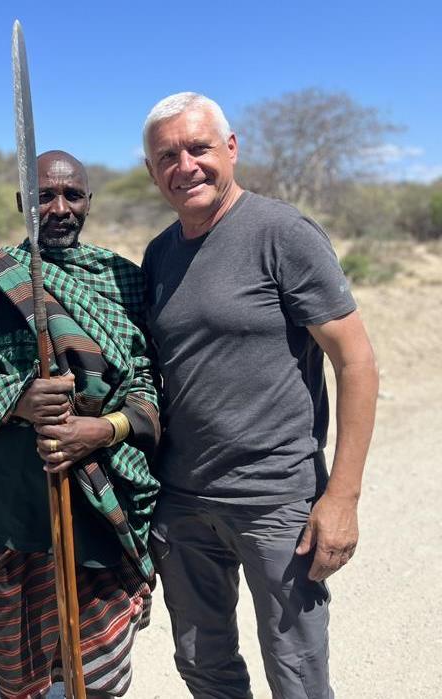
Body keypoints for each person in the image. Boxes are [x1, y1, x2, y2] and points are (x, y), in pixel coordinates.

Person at [141, 92, 379, 698]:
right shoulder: (159, 254)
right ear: (151, 170)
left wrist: (342, 497)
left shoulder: (281, 233)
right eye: (167, 155)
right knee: (202, 664)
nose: (185, 165)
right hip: (184, 499)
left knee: (296, 672)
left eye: (199, 148)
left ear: (231, 148)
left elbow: (355, 361)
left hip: (276, 502)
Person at [0, 150, 161, 698]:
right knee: (21, 666)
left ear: (88, 203)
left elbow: (150, 383)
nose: (58, 208)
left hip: (102, 501)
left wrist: (105, 430)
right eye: (43, 196)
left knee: (99, 674)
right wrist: (18, 399)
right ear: (20, 203)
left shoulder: (122, 281)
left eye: (71, 196)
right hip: (8, 508)